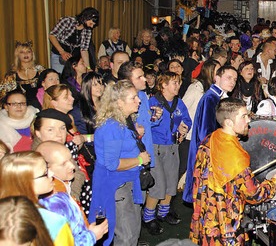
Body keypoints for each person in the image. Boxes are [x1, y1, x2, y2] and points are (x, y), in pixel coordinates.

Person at [190, 98, 276, 245]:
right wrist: (275, 182)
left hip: (205, 216)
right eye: (243, 116)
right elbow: (254, 195)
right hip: (224, 224)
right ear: (228, 122)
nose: (248, 120)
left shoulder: (210, 139)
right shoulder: (235, 156)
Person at [90, 80, 151, 245]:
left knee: (132, 232)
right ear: (119, 102)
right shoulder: (112, 126)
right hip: (117, 187)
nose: (138, 101)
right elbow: (112, 164)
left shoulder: (124, 121)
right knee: (126, 235)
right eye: (133, 98)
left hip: (127, 182)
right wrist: (140, 159)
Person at [143, 72, 192, 234]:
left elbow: (187, 120)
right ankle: (148, 218)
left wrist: (183, 129)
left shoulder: (179, 103)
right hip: (156, 147)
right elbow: (147, 124)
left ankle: (163, 213)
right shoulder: (153, 102)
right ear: (163, 85)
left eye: (178, 83)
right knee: (158, 185)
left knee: (171, 183)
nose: (177, 86)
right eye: (174, 83)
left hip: (172, 147)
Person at [36, 141, 109, 245]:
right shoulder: (53, 201)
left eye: (70, 159)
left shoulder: (63, 186)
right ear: (47, 169)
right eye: (63, 163)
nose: (72, 166)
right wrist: (92, 236)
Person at [184, 66, 238, 203]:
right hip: (209, 152)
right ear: (217, 78)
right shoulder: (211, 98)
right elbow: (205, 131)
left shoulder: (217, 97)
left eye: (235, 79)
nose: (233, 82)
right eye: (229, 78)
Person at [0, 151, 75, 245]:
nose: (51, 173)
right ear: (25, 183)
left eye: (47, 167)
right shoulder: (54, 222)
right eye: (45, 173)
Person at [48, 7, 99, 73]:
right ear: (86, 17)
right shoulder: (67, 21)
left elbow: (84, 50)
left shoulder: (88, 31)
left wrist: (88, 68)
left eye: (93, 25)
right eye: (91, 23)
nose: (91, 26)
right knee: (59, 77)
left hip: (73, 59)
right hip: (58, 55)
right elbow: (52, 36)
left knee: (71, 79)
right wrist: (62, 52)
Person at [13, 41, 45, 108]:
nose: (26, 54)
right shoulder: (12, 75)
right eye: (22, 52)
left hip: (40, 105)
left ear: (32, 54)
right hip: (20, 107)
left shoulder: (40, 70)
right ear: (17, 55)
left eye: (28, 51)